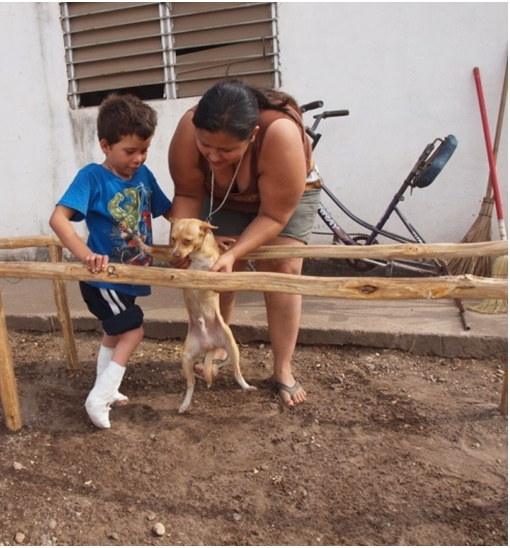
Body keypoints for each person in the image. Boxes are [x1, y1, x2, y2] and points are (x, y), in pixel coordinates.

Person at [168, 79, 320, 407]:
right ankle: (216, 345)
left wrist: (237, 251)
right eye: (206, 146)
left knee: (280, 269)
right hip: (221, 194)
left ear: (251, 135)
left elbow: (275, 216)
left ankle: (282, 368)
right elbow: (187, 193)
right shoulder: (187, 129)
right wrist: (179, 242)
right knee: (212, 263)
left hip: (286, 197)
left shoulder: (279, 135)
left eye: (226, 150)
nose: (213, 156)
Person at [49, 94, 172, 428]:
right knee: (133, 331)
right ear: (105, 145)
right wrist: (85, 254)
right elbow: (59, 219)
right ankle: (99, 397)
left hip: (130, 275)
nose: (138, 158)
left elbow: (170, 210)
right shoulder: (92, 177)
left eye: (144, 150)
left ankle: (106, 385)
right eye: (130, 151)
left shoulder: (144, 175)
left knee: (113, 334)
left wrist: (200, 233)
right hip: (103, 279)